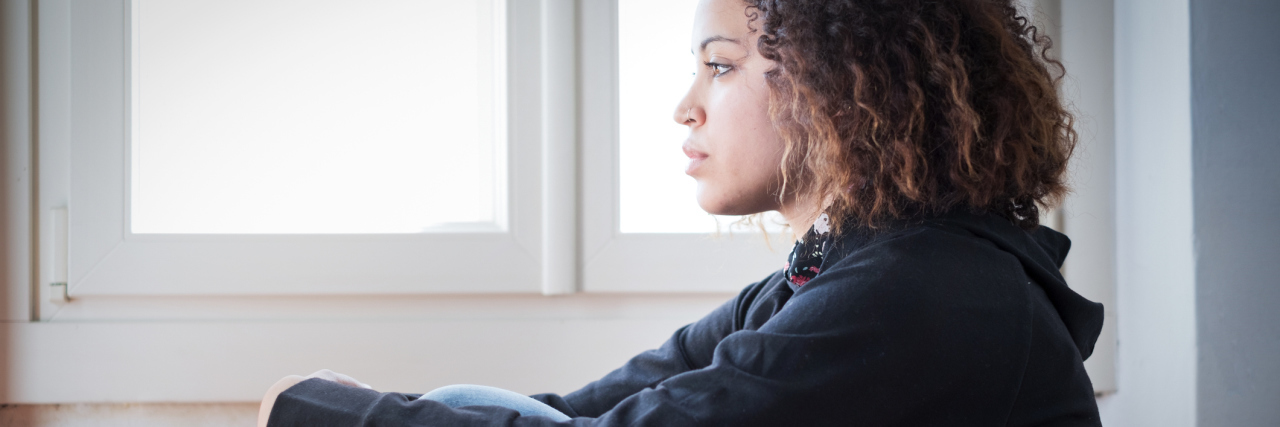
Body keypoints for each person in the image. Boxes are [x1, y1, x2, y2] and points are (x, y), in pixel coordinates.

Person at [259, 0, 1103, 424]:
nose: (686, 106)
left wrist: (320, 410)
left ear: (838, 83)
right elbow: (586, 408)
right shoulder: (821, 282)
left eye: (721, 65)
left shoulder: (923, 295)